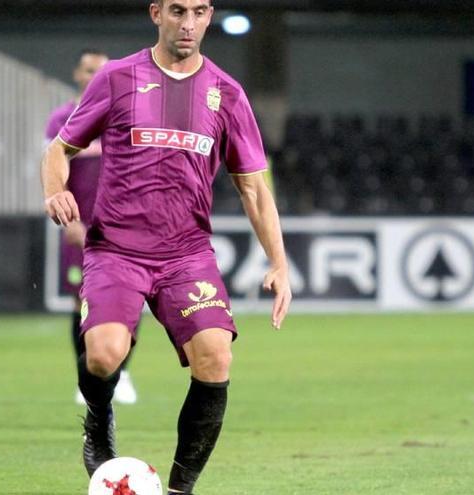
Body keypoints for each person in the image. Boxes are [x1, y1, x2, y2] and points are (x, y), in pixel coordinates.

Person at [40, 1, 292, 493]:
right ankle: (98, 421)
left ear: (210, 15)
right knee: (103, 354)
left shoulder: (228, 93)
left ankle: (180, 488)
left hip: (186, 255)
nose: (189, 23)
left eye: (199, 12)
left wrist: (279, 262)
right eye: (178, 11)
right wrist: (55, 190)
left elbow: (255, 189)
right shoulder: (116, 78)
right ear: (157, 13)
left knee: (216, 356)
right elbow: (59, 149)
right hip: (116, 248)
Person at [44, 49, 138, 406]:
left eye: (101, 69)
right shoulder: (62, 120)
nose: (94, 75)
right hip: (79, 227)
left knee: (129, 299)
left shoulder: (124, 116)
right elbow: (55, 167)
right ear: (77, 74)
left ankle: (123, 373)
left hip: (122, 227)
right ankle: (85, 378)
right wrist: (69, 220)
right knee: (79, 301)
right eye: (88, 69)